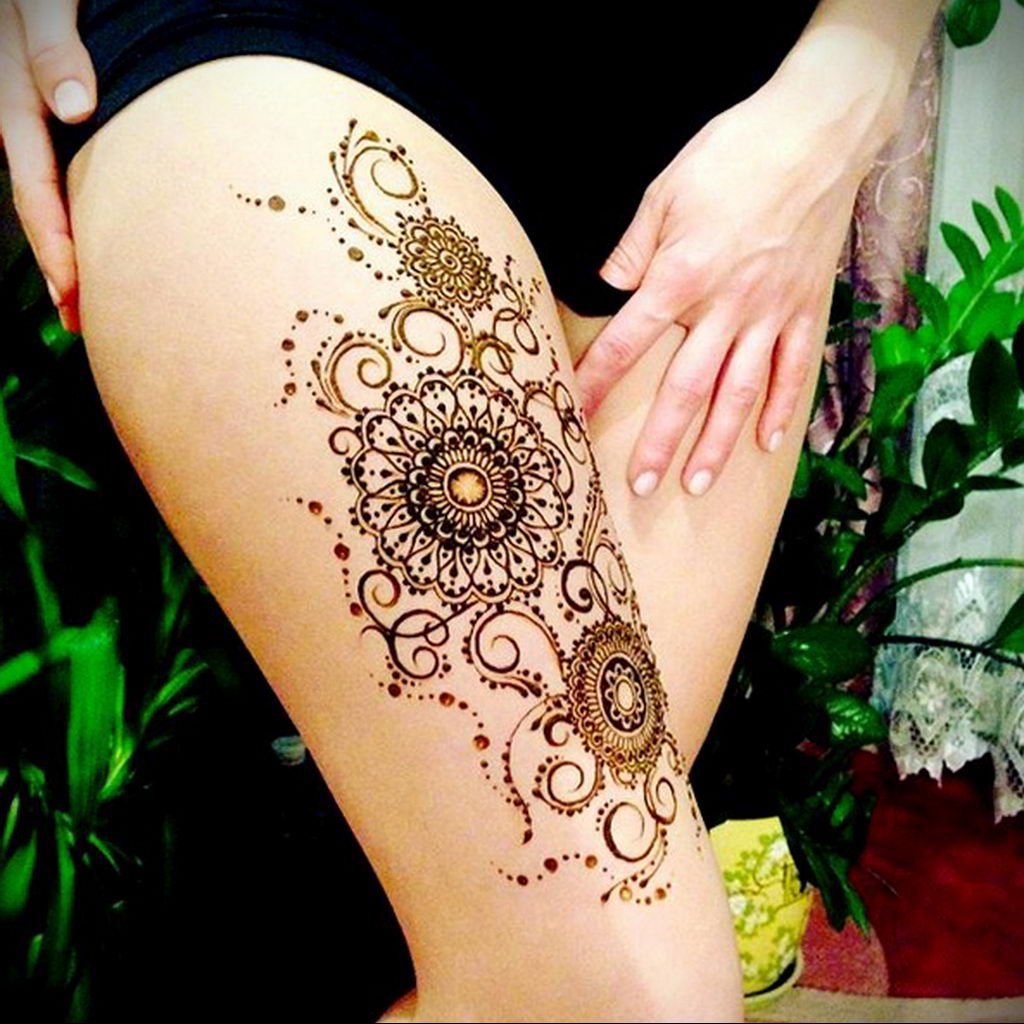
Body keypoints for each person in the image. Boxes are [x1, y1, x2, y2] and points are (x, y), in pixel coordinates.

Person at [0, 2, 942, 1020]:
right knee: (614, 990)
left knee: (457, 958)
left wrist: (856, 72)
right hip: (295, 51)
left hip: (720, 151)